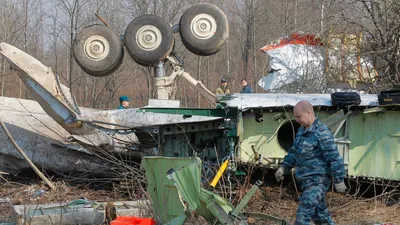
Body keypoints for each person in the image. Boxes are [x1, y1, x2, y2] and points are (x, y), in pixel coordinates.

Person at [275, 100, 346, 225]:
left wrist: (339, 180)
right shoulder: (301, 131)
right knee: (320, 216)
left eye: (298, 117)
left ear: (308, 113)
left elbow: (333, 157)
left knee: (303, 214)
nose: (297, 120)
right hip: (305, 181)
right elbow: (294, 152)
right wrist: (284, 168)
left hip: (317, 181)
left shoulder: (321, 132)